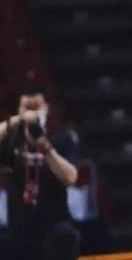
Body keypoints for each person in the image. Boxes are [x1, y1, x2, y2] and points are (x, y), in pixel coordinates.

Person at [0, 86, 80, 260]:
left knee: (64, 235)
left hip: (54, 224)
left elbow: (71, 178)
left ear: (46, 109)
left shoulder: (61, 137)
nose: (31, 115)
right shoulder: (11, 138)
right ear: (18, 110)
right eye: (26, 108)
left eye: (36, 108)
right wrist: (15, 121)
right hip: (20, 225)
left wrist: (47, 149)